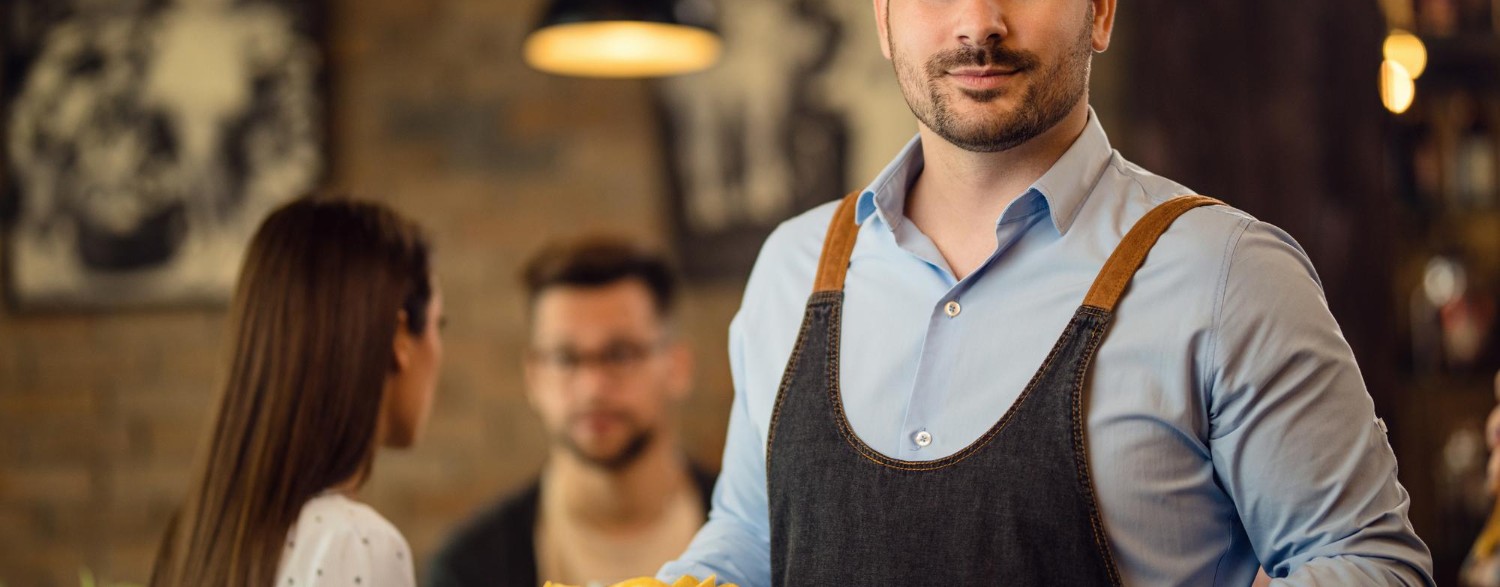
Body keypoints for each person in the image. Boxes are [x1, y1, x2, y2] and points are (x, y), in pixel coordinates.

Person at [658, 0, 1434, 585]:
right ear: (883, 20)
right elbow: (748, 537)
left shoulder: (1226, 273)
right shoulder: (794, 268)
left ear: (1099, 11)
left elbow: (1370, 561)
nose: (979, 23)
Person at [150, 197, 444, 587]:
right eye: (442, 324)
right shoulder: (354, 542)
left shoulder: (198, 537)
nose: (441, 350)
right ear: (399, 338)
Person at [429, 237, 716, 587]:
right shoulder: (469, 569)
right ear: (533, 377)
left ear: (678, 367)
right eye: (565, 359)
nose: (592, 387)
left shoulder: (766, 537)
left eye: (621, 354)